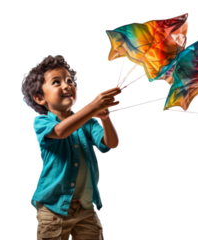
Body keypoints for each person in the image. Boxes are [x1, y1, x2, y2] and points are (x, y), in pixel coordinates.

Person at [21, 53, 122, 239]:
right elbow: (60, 132)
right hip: (53, 208)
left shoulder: (89, 122)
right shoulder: (41, 122)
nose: (67, 85)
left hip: (85, 208)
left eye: (69, 81)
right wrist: (92, 107)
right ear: (39, 98)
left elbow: (111, 143)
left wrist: (105, 118)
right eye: (56, 82)